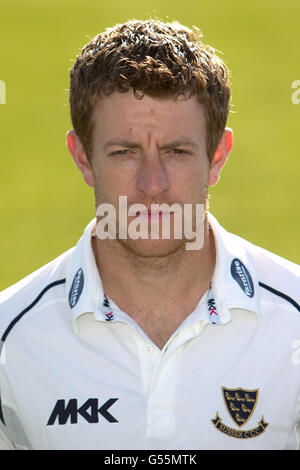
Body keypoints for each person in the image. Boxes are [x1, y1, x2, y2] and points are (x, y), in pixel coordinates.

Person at [0, 19, 299, 451]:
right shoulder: (10, 340)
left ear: (218, 156)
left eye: (177, 151)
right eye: (125, 152)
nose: (153, 184)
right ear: (82, 157)